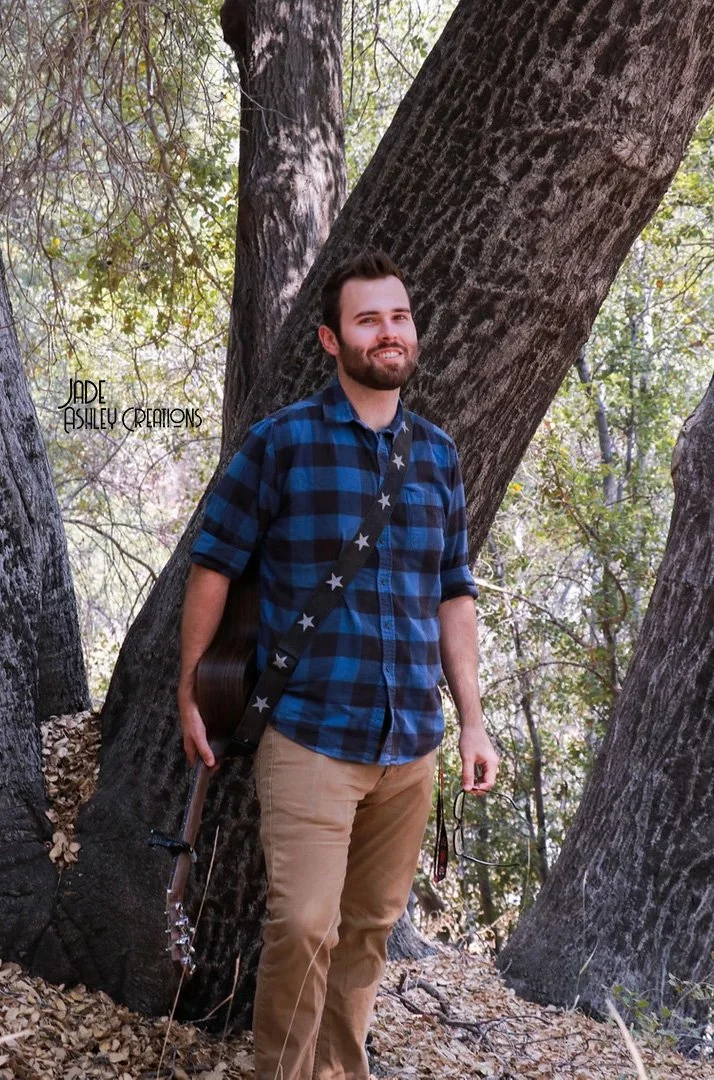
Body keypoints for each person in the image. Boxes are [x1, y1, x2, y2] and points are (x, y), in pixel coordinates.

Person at [178, 250, 499, 1080]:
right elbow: (213, 565)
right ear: (331, 339)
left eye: (399, 317)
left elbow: (454, 594)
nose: (388, 333)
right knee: (303, 925)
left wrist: (473, 719)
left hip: (411, 742)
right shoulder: (281, 442)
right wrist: (190, 689)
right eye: (368, 320)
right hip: (310, 733)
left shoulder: (437, 455)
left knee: (369, 930)